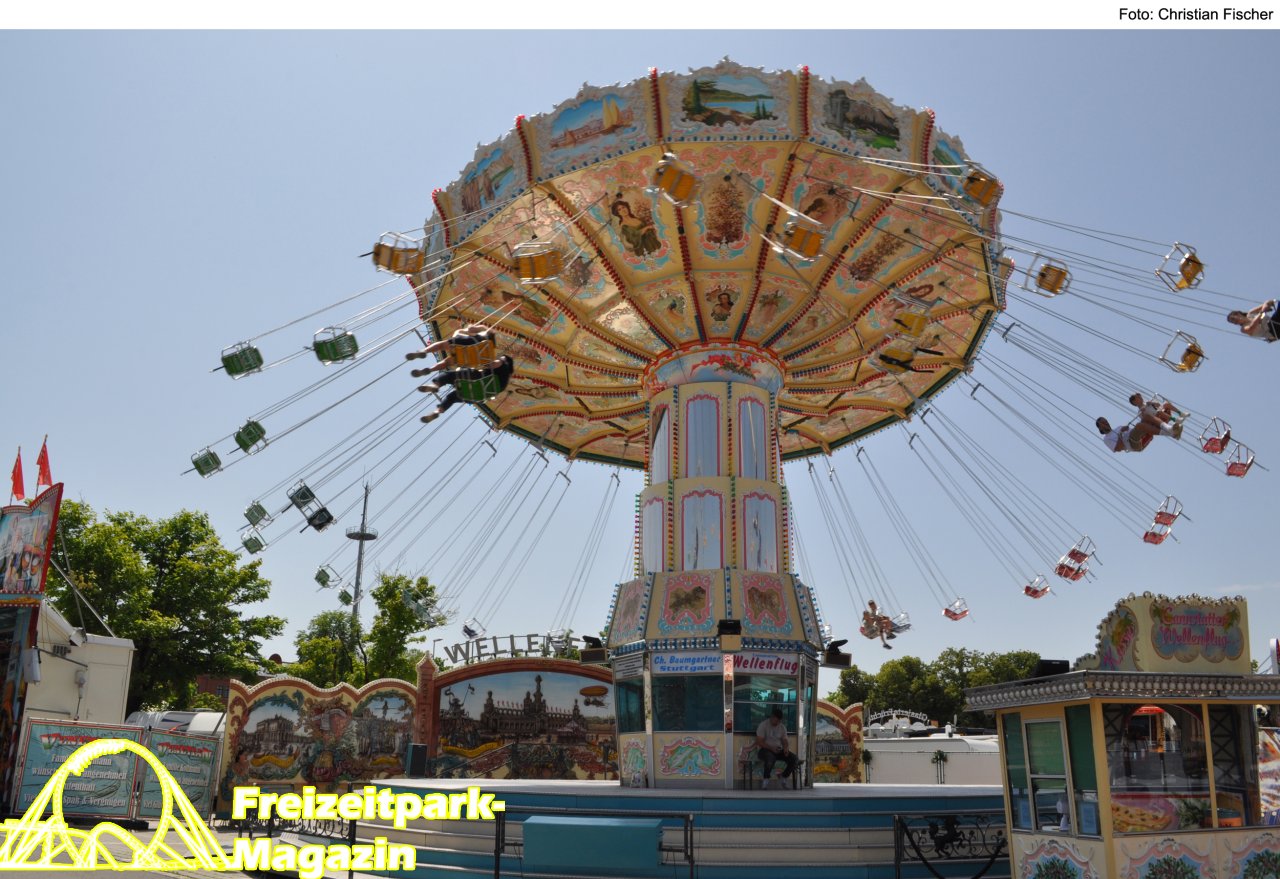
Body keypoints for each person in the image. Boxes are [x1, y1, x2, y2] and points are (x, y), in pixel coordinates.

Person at [418, 354, 515, 424]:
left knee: (448, 375)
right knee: (452, 397)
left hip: (476, 379)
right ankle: (437, 411)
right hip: (475, 396)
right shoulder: (504, 384)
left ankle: (435, 386)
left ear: (505, 360)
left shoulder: (502, 363)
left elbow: (490, 364)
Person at [405, 324, 496, 377]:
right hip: (468, 359)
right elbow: (487, 365)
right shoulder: (492, 351)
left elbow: (470, 329)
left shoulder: (484, 329)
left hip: (468, 344)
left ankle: (424, 351)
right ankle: (431, 369)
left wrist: (469, 328)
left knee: (442, 344)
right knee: (447, 362)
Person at [755, 708, 798, 789]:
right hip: (764, 750)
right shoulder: (763, 725)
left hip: (778, 750)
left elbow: (784, 740)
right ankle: (766, 779)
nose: (777, 723)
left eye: (779, 721)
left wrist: (785, 748)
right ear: (772, 717)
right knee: (770, 758)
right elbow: (759, 741)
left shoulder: (782, 727)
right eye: (776, 720)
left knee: (794, 759)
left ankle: (783, 776)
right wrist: (771, 748)